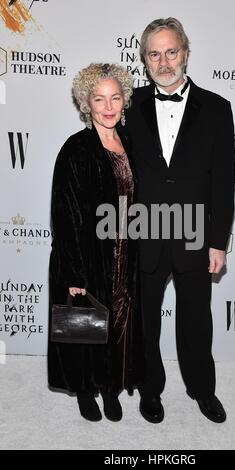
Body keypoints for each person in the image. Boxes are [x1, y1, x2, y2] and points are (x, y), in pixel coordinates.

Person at [125, 18, 235, 424]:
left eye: (171, 51)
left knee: (195, 320)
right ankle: (149, 390)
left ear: (186, 53)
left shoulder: (217, 108)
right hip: (143, 232)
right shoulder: (128, 104)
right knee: (145, 321)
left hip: (194, 234)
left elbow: (224, 182)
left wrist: (218, 241)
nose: (164, 61)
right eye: (155, 54)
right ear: (144, 60)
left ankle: (203, 390)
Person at [48, 63, 144, 422]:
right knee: (84, 328)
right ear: (86, 102)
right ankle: (86, 390)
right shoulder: (76, 149)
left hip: (125, 253)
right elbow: (65, 213)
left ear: (124, 101)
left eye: (115, 97)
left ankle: (110, 387)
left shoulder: (131, 143)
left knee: (118, 325)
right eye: (99, 98)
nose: (108, 106)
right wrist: (74, 272)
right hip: (88, 257)